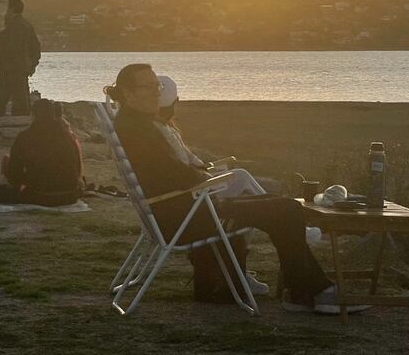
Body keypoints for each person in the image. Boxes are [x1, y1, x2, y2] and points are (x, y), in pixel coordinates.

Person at [106, 63, 366, 314]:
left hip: (183, 211)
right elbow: (179, 176)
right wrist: (208, 178)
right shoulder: (139, 130)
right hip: (189, 218)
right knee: (286, 211)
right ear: (129, 93)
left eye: (157, 87)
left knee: (284, 208)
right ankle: (310, 292)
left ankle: (306, 290)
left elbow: (173, 174)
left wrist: (201, 177)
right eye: (149, 87)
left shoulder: (133, 124)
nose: (156, 93)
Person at [0, 99, 84, 206]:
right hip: (69, 195)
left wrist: (26, 181)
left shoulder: (25, 137)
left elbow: (14, 174)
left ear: (33, 115)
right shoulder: (67, 137)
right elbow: (77, 168)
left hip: (40, 194)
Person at [0, 0, 41, 116]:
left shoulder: (11, 28)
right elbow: (36, 48)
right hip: (21, 68)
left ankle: (1, 123)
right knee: (21, 99)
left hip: (10, 69)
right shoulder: (27, 26)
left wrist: (0, 65)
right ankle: (21, 123)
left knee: (3, 99)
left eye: (7, 9)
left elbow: (8, 49)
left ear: (12, 9)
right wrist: (32, 65)